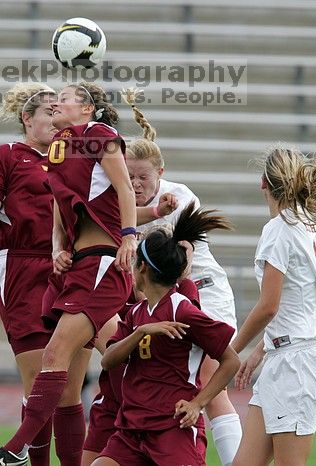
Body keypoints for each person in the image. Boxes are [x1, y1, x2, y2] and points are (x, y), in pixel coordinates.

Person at [0, 82, 137, 466]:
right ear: (26, 120)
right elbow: (65, 204)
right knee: (79, 366)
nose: (58, 104)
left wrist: (129, 236)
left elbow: (125, 189)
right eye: (51, 102)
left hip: (100, 262)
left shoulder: (98, 135)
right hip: (71, 265)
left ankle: (14, 450)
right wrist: (58, 246)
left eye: (64, 99)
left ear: (88, 108)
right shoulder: (59, 151)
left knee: (64, 358)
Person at [0, 83, 83, 466]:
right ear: (26, 118)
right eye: (48, 113)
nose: (57, 120)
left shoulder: (76, 154)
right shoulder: (6, 155)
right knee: (39, 379)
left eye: (61, 112)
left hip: (73, 266)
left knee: (70, 390)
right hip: (25, 267)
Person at [111, 88, 243, 466]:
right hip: (159, 300)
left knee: (208, 385)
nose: (135, 185)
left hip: (199, 294)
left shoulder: (179, 197)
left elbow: (182, 264)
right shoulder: (119, 203)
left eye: (143, 177)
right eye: (129, 177)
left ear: (161, 174)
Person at [92, 203, 240, 466]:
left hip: (172, 429)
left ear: (143, 269)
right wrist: (141, 333)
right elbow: (108, 360)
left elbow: (231, 361)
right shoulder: (137, 313)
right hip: (132, 430)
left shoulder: (182, 310)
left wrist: (197, 404)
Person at [230, 144, 316, 466]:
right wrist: (260, 351)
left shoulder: (278, 229)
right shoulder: (305, 223)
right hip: (286, 357)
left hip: (297, 365)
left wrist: (231, 349)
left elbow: (270, 305)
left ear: (263, 184)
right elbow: (296, 304)